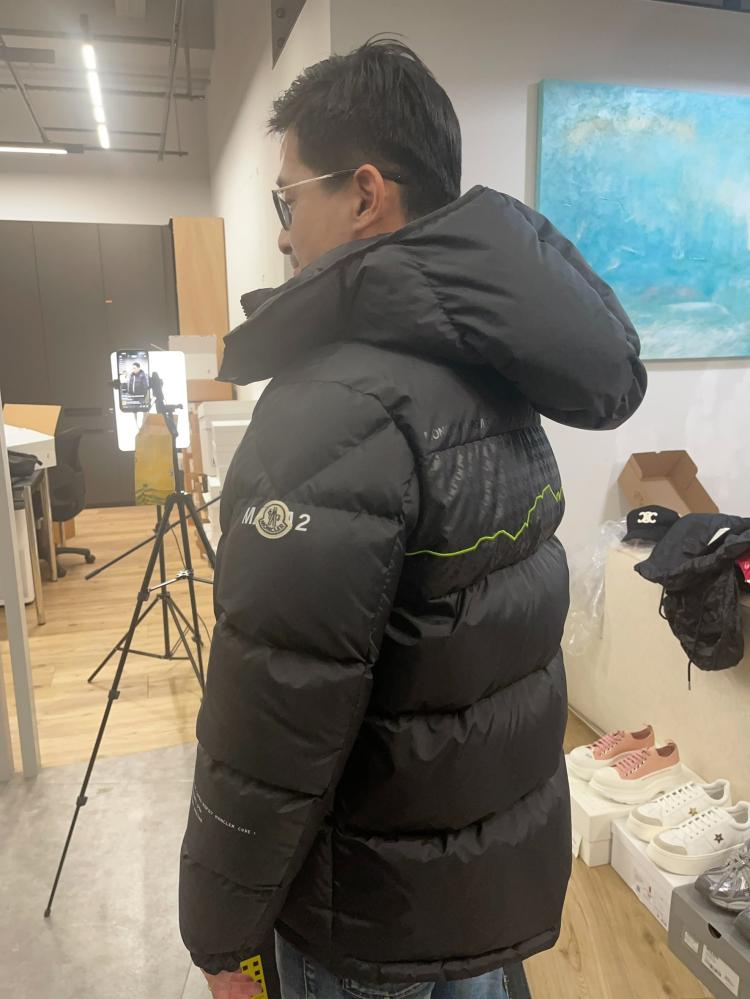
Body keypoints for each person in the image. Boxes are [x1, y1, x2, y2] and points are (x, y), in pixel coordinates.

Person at [179, 39, 647, 999]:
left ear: (364, 194)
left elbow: (271, 721)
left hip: (361, 920)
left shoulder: (329, 407)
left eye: (286, 199)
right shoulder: (500, 380)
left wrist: (220, 934)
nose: (281, 235)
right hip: (475, 903)